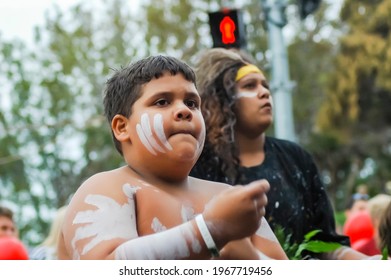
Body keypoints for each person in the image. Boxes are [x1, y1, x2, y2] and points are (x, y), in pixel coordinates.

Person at [57, 55, 287, 260]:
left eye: (191, 103)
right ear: (121, 127)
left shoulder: (227, 197)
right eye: (162, 102)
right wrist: (209, 231)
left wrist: (251, 261)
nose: (184, 110)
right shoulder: (107, 188)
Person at [190, 47, 380, 260]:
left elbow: (327, 246)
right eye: (250, 86)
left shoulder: (297, 159)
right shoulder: (197, 166)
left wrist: (371, 264)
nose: (264, 92)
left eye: (265, 85)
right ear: (221, 101)